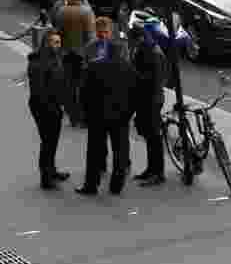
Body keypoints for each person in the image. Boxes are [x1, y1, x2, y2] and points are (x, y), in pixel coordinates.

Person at [76, 17, 136, 196]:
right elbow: (134, 92)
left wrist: (85, 113)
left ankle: (91, 185)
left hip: (98, 115)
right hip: (120, 115)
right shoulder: (127, 67)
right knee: (120, 150)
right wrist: (128, 112)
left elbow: (84, 92)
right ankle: (116, 185)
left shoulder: (94, 67)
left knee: (93, 151)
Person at [27, 28, 70, 190]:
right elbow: (39, 89)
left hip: (53, 105)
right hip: (44, 107)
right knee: (48, 142)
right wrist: (52, 106)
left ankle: (51, 171)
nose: (58, 45)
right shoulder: (39, 62)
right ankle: (46, 177)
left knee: (52, 141)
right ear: (46, 43)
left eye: (59, 42)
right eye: (55, 42)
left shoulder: (54, 57)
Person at [128, 15, 167, 187]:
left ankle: (157, 173)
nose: (132, 44)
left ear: (140, 38)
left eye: (133, 41)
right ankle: (151, 169)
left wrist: (132, 75)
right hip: (145, 98)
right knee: (149, 136)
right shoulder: (144, 49)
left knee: (153, 136)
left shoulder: (151, 52)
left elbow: (153, 79)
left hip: (151, 99)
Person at [53, 0, 95, 128]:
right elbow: (90, 37)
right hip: (82, 55)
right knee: (83, 87)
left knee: (69, 86)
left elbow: (57, 32)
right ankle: (83, 118)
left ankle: (73, 116)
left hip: (66, 54)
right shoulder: (86, 12)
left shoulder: (62, 11)